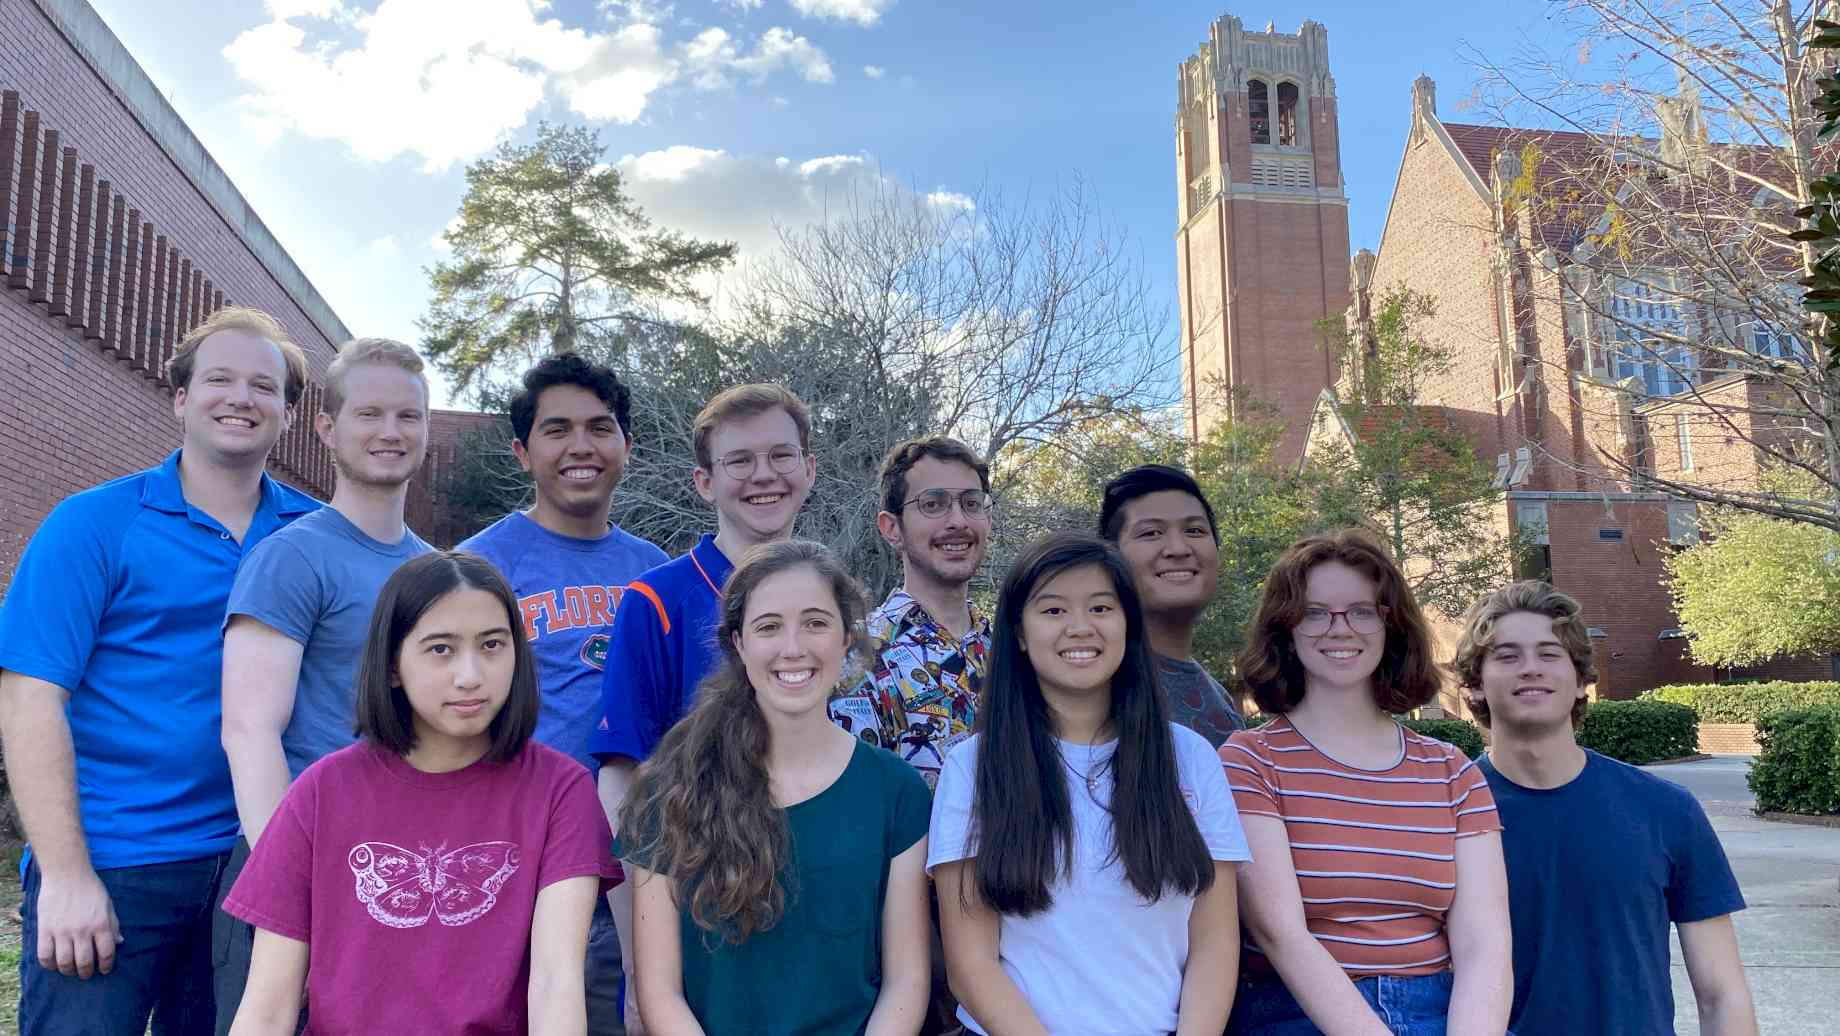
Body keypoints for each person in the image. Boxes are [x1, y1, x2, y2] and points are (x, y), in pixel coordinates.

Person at [0, 307, 319, 1034]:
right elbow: (28, 700)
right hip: (115, 864)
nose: (241, 398)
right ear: (180, 397)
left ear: (289, 413)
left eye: (263, 386)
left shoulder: (311, 538)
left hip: (251, 867)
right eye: (219, 380)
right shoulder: (93, 525)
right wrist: (68, 875)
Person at [223, 551, 618, 1035]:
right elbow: (268, 1004)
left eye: (492, 644)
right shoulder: (322, 792)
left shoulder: (561, 790)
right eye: (441, 649)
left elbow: (556, 982)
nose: (470, 674)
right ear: (392, 665)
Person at [929, 531, 1249, 1035]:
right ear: (1018, 631)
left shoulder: (1190, 759)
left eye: (1101, 608)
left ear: (1128, 624)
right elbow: (972, 967)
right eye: (1053, 611)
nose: (1080, 628)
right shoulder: (973, 768)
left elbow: (1215, 943)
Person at [618, 540, 931, 1035]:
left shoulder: (898, 792)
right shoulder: (670, 788)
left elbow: (906, 981)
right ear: (739, 644)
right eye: (768, 626)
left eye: (815, 623)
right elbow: (660, 990)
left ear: (846, 637)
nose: (793, 648)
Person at [216, 337, 434, 1033]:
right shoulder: (292, 556)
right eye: (370, 414)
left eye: (409, 416)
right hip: (303, 878)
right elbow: (249, 730)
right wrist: (299, 892)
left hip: (403, 873)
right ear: (327, 428)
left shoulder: (435, 570)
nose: (391, 432)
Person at [1221, 528, 1512, 1036]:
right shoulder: (1250, 760)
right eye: (1314, 612)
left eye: (1361, 610)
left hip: (1443, 1012)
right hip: (1300, 1012)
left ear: (1389, 625)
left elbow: (1485, 945)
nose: (1340, 628)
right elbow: (1278, 931)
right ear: (1285, 629)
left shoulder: (1451, 772)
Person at [593, 383, 816, 1029]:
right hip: (699, 922)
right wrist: (639, 959)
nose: (764, 475)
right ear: (704, 481)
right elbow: (621, 780)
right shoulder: (656, 601)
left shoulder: (831, 604)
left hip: (818, 919)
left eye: (782, 455)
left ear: (809, 469)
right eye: (740, 460)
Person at [462, 354, 667, 1033]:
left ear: (626, 447)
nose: (581, 446)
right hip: (513, 866)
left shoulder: (657, 574)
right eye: (557, 429)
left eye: (600, 427)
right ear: (523, 452)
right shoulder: (474, 569)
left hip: (633, 869)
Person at [1455, 581, 1756, 1036]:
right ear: (1474, 686)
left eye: (1549, 654)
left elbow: (1722, 993)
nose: (1530, 668)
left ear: (1581, 683)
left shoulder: (1665, 810)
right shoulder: (1444, 813)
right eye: (1507, 655)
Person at [831, 437, 994, 789]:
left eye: (972, 503)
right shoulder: (857, 656)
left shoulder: (1017, 647)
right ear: (892, 528)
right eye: (933, 504)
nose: (958, 521)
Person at [1099, 463, 1245, 747]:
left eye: (1194, 530)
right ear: (1110, 559)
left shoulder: (1220, 699)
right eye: (1151, 533)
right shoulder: (1093, 691)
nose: (1178, 549)